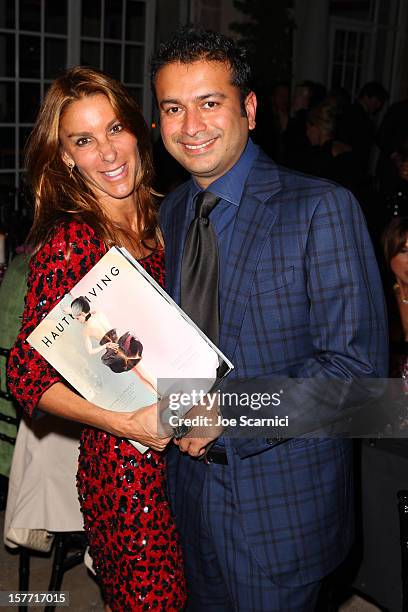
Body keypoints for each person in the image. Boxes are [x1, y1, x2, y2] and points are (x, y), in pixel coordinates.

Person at [151, 27, 388, 611]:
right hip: (186, 490)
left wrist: (227, 415)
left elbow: (359, 381)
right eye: (173, 108)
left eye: (210, 103)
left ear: (249, 110)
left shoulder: (321, 207)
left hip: (279, 507)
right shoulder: (176, 209)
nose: (192, 126)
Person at [7, 67, 186, 611]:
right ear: (65, 157)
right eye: (83, 140)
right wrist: (122, 422)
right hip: (127, 473)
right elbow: (25, 376)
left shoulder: (168, 217)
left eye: (114, 130)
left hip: (189, 453)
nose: (107, 153)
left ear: (138, 131)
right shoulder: (74, 242)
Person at [69, 296, 157, 391]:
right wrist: (76, 309)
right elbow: (89, 310)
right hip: (124, 345)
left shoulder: (86, 330)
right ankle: (163, 396)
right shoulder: (99, 313)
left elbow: (90, 351)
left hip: (116, 354)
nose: (77, 320)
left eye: (77, 318)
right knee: (144, 373)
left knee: (141, 375)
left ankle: (161, 397)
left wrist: (105, 346)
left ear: (81, 313)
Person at [337, 81, 388, 173]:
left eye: (380, 102)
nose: (379, 105)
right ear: (366, 97)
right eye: (376, 101)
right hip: (350, 167)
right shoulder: (361, 118)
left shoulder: (348, 111)